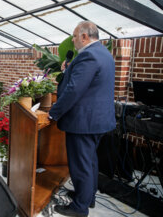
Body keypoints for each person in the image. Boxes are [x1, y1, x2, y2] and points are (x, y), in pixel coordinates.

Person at [48, 21, 116, 217]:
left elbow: (74, 90)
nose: (73, 39)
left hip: (83, 122)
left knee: (81, 165)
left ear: (85, 36)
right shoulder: (103, 54)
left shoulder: (88, 55)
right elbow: (89, 83)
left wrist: (54, 112)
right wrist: (68, 69)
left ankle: (79, 207)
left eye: (75, 36)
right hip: (98, 121)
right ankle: (87, 197)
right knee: (90, 162)